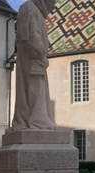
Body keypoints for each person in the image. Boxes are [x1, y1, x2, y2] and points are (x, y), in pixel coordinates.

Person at [9, 0, 58, 132]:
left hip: (36, 59)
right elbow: (29, 37)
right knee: (35, 91)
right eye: (51, 3)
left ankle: (39, 120)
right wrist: (40, 54)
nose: (52, 8)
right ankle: (37, 121)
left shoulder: (36, 11)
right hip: (32, 60)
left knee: (38, 91)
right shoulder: (29, 8)